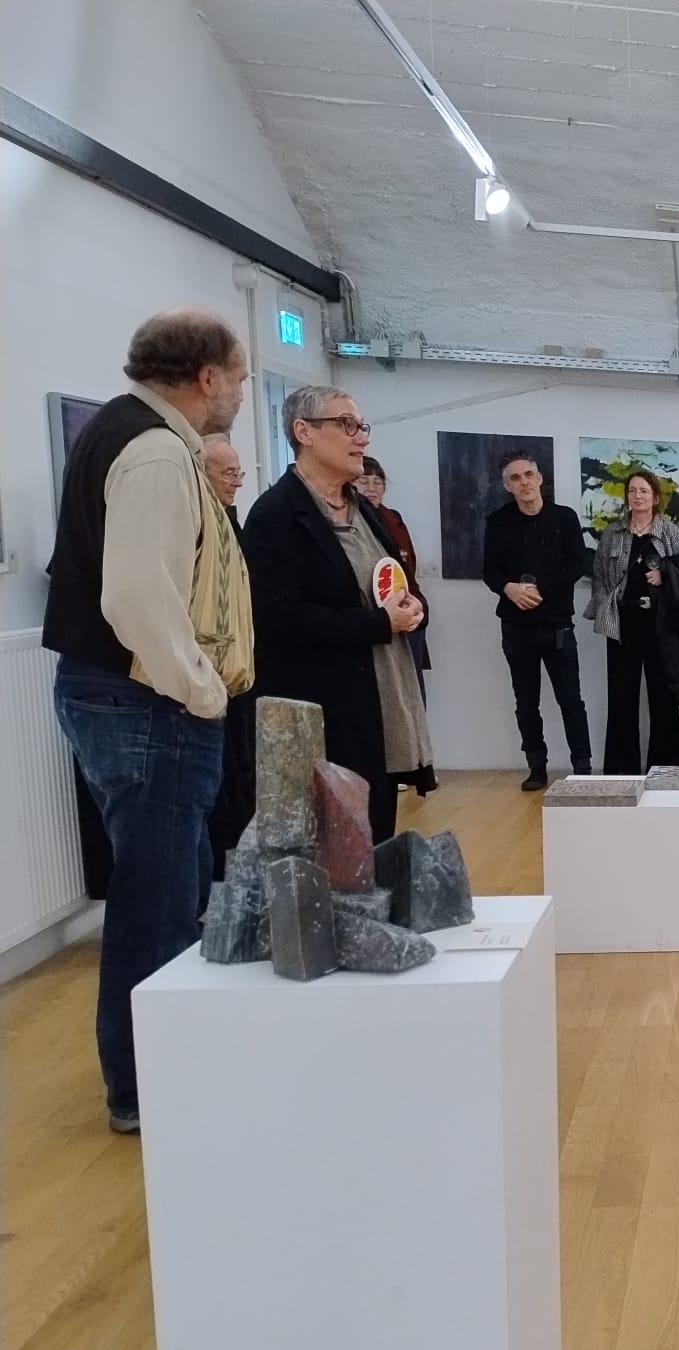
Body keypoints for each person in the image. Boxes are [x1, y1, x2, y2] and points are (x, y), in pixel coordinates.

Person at [43, 309, 254, 1134]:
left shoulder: (123, 432)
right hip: (148, 703)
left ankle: (164, 1068)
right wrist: (200, 691)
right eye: (238, 378)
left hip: (127, 697)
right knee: (158, 901)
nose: (239, 393)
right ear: (207, 377)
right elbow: (137, 596)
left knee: (166, 888)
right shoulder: (158, 451)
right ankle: (146, 1084)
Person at [242, 388, 433, 845]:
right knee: (338, 850)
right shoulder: (275, 515)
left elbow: (392, 579)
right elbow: (277, 617)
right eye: (347, 425)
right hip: (327, 716)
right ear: (303, 432)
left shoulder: (363, 509)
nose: (361, 438)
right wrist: (379, 624)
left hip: (380, 706)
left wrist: (414, 605)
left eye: (361, 426)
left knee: (376, 839)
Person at [586, 468, 679, 773]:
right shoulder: (613, 533)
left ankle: (666, 770)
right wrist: (606, 606)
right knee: (621, 700)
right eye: (632, 491)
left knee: (664, 699)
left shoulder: (669, 531)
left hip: (661, 626)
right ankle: (620, 773)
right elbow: (599, 577)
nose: (637, 496)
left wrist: (665, 572)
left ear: (655, 498)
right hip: (622, 624)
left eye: (643, 491)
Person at [483, 448, 592, 789]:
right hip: (517, 627)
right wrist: (509, 589)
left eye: (528, 475)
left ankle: (583, 767)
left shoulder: (565, 518)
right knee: (526, 702)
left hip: (558, 624)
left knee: (571, 699)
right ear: (507, 486)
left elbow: (578, 563)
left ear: (540, 478)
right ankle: (537, 767)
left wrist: (541, 590)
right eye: (515, 478)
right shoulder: (497, 522)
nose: (524, 483)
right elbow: (489, 571)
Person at [200, 434, 260, 872]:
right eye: (228, 473)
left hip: (237, 679)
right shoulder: (195, 523)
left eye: (238, 473)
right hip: (204, 681)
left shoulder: (230, 523)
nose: (237, 482)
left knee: (240, 778)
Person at [355, 454, 431, 708]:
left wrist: (419, 605)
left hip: (408, 608)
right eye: (364, 481)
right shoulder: (350, 521)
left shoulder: (393, 519)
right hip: (373, 618)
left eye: (378, 482)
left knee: (412, 693)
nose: (371, 488)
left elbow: (407, 568)